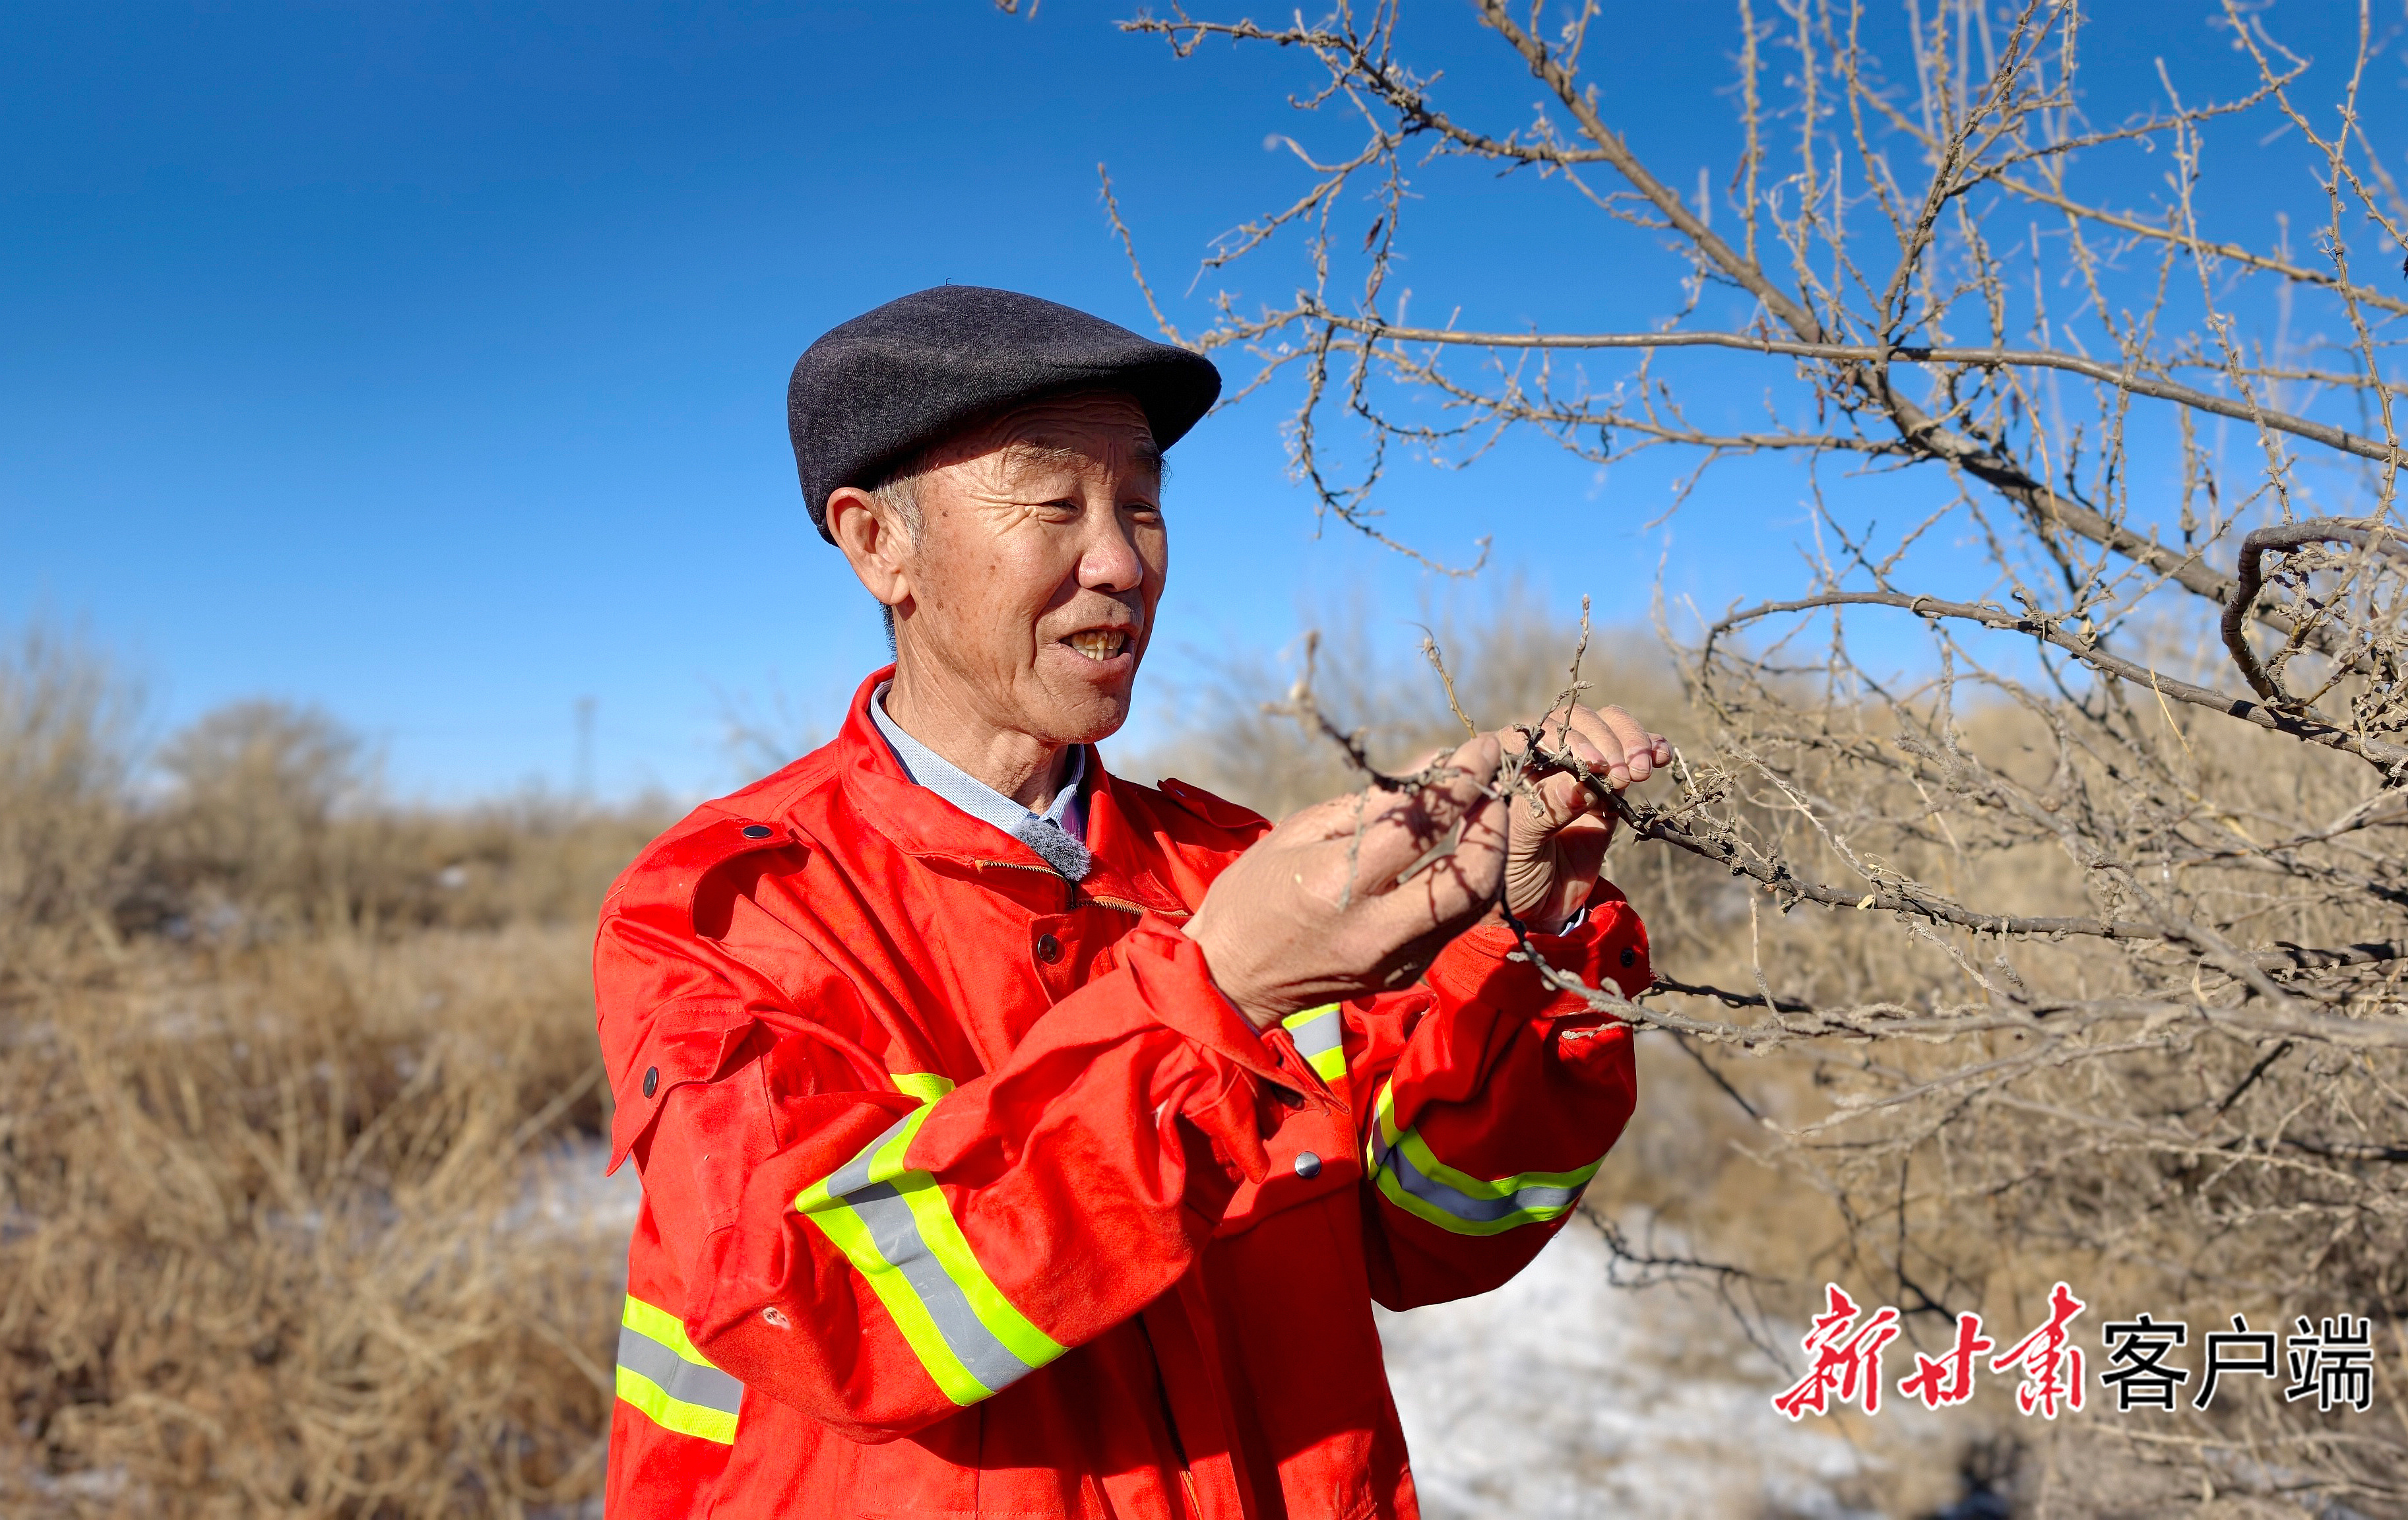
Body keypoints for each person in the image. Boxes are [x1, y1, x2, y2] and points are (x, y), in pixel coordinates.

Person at [594, 286, 1670, 1519]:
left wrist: (1529, 945)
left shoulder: (1236, 870)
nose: (1118, 562)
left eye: (1141, 505)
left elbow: (1435, 1234)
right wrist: (1215, 999)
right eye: (1053, 505)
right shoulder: (725, 908)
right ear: (877, 543)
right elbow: (818, 1313)